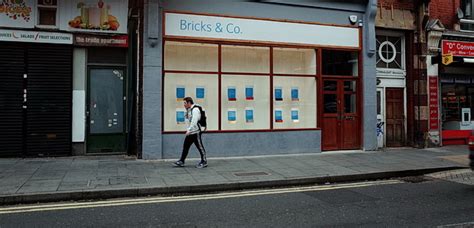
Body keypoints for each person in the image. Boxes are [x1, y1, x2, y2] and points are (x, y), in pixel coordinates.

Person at [173, 97, 208, 168]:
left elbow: (194, 121)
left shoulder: (195, 110)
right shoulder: (189, 110)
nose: (184, 105)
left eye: (185, 103)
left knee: (200, 147)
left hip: (195, 132)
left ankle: (204, 161)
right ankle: (181, 161)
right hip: (191, 132)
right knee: (185, 146)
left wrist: (189, 130)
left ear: (189, 103)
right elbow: (189, 121)